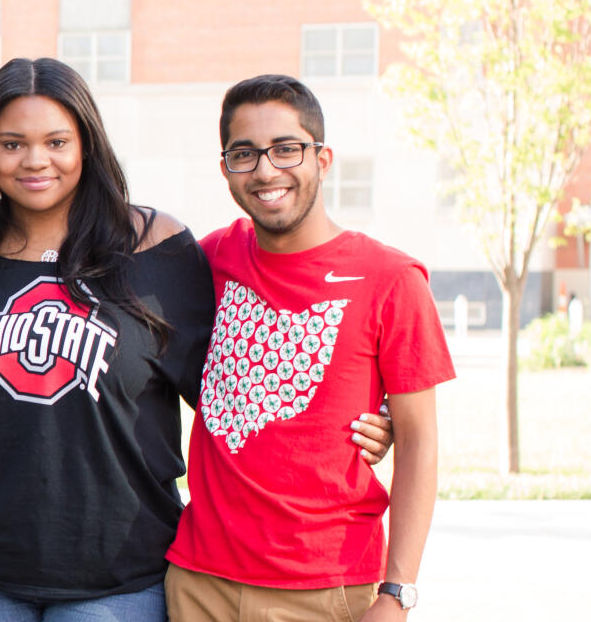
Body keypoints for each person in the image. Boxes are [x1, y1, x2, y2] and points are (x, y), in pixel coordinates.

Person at [0, 59, 395, 621]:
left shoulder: (156, 249)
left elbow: (236, 383)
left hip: (118, 574)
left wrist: (365, 418)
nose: (36, 160)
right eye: (12, 143)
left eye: (57, 141)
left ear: (87, 146)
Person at [165, 74, 450, 622]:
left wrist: (398, 594)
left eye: (286, 149)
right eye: (244, 154)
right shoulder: (208, 261)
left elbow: (420, 444)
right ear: (225, 169)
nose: (266, 170)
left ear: (323, 159)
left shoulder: (390, 278)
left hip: (326, 588)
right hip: (198, 582)